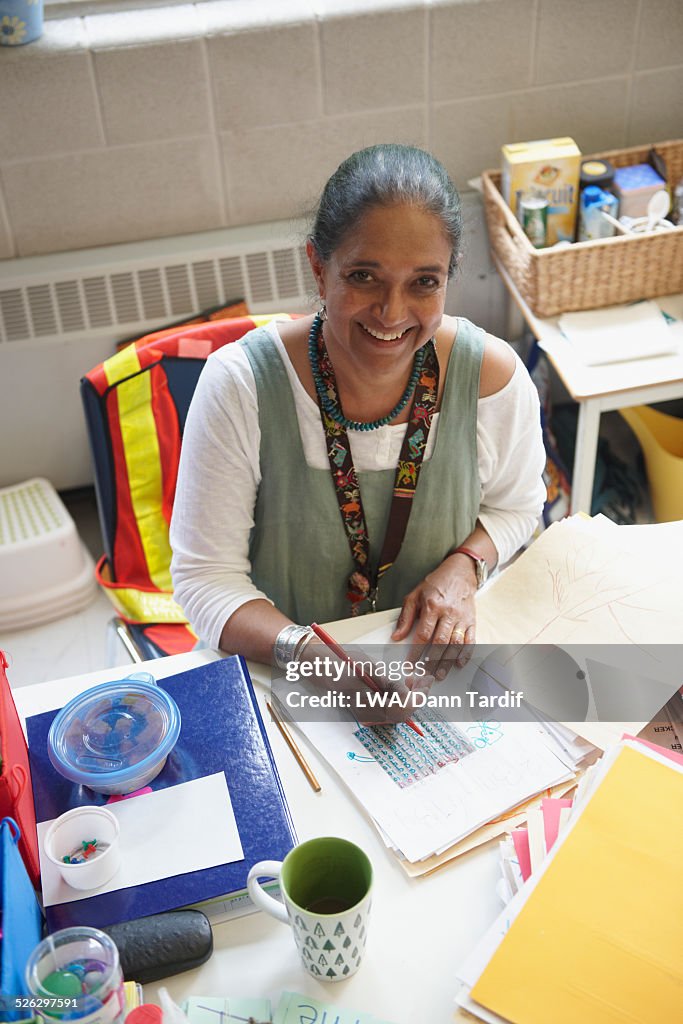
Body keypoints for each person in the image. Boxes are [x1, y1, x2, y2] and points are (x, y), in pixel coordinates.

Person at [170, 144, 546, 681]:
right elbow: (205, 579)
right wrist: (317, 661)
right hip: (279, 673)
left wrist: (465, 568)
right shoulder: (242, 385)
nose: (392, 314)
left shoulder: (491, 378)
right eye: (364, 276)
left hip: (429, 677)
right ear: (319, 270)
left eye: (424, 282)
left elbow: (517, 508)